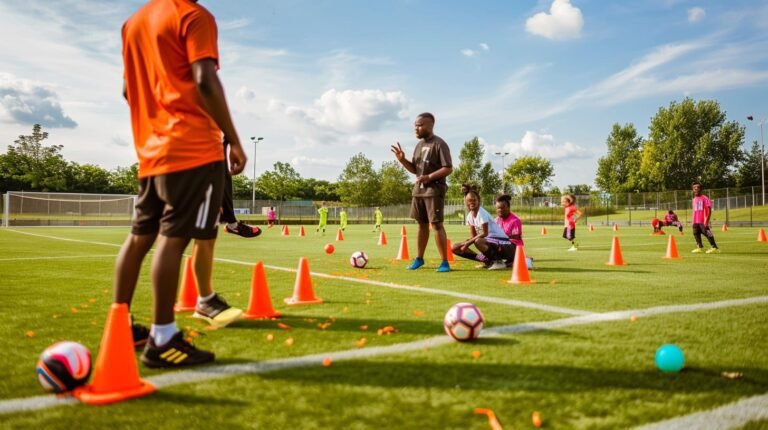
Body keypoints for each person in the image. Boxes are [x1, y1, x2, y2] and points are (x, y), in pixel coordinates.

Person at [120, 0, 244, 367]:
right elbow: (205, 79)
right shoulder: (194, 16)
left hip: (151, 150)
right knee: (174, 239)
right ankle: (162, 337)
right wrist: (233, 138)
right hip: (192, 149)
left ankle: (120, 324)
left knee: (140, 238)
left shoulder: (133, 23)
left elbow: (128, 90)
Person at [391, 112, 453, 273]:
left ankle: (444, 262)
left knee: (436, 225)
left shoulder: (440, 144)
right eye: (415, 126)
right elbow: (415, 170)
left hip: (434, 191)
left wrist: (429, 177)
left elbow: (448, 168)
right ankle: (419, 258)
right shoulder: (418, 146)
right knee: (421, 225)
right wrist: (402, 160)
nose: (416, 129)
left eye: (419, 125)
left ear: (430, 125)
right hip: (418, 191)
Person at [451, 185, 512, 270]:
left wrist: (467, 243)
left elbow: (485, 233)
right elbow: (473, 236)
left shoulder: (481, 213)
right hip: (491, 243)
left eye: (474, 200)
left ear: (478, 201)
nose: (471, 202)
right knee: (454, 247)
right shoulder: (469, 216)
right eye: (469, 201)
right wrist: (463, 244)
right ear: (465, 202)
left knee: (478, 241)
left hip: (506, 245)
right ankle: (487, 261)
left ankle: (498, 262)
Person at [495, 194, 524, 267]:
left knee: (495, 244)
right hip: (501, 245)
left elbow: (516, 236)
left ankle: (513, 260)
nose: (500, 210)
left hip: (514, 248)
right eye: (498, 208)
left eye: (503, 207)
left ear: (508, 207)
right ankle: (492, 262)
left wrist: (501, 237)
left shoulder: (515, 220)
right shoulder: (496, 220)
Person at [691, 182, 719, 253]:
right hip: (695, 221)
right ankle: (699, 247)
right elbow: (694, 211)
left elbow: (709, 210)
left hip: (702, 220)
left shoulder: (705, 198)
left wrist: (706, 220)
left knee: (707, 233)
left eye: (698, 187)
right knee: (696, 233)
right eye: (694, 188)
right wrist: (693, 221)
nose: (696, 189)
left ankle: (714, 247)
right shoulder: (694, 199)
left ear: (701, 189)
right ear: (693, 190)